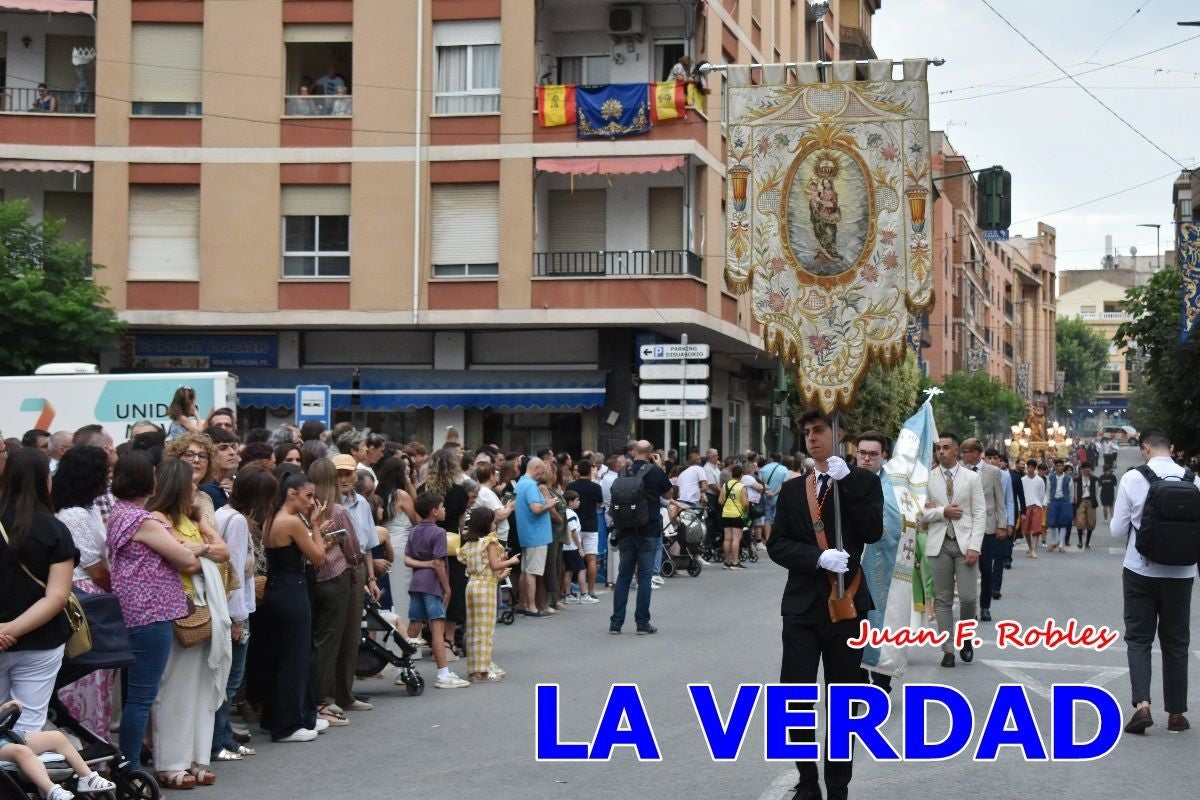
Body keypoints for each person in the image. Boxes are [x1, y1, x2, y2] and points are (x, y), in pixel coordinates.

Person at [768, 409, 883, 800]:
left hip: (846, 604)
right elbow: (777, 544)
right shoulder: (791, 488)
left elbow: (872, 530)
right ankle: (806, 780)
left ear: (839, 434)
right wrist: (816, 558)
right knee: (795, 695)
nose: (811, 438)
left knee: (843, 699)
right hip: (801, 605)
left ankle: (838, 786)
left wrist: (846, 482)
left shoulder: (863, 482)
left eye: (819, 430)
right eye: (806, 432)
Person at [105, 451, 199, 776]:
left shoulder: (119, 513)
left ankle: (127, 761)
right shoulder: (142, 519)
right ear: (148, 479)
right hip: (151, 613)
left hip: (131, 610)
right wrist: (194, 549)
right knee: (142, 696)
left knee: (135, 694)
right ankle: (128, 766)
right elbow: (185, 560)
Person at [146, 458, 232, 788]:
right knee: (175, 689)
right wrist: (201, 554)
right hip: (177, 610)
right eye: (191, 485)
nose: (196, 490)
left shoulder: (193, 518)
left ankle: (197, 758)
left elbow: (221, 553)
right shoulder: (158, 519)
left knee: (201, 686)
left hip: (202, 608)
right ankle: (170, 763)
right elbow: (186, 563)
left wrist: (200, 548)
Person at [1111, 429, 1198, 736]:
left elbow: (1118, 530)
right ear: (1171, 448)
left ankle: (1142, 706)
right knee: (1176, 643)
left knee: (1138, 639)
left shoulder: (1134, 479)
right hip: (1182, 574)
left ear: (1144, 448)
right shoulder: (1193, 480)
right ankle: (1176, 714)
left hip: (1140, 571)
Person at [0, 449, 79, 737]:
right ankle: (27, 781)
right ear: (46, 480)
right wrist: (12, 630)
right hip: (41, 639)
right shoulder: (54, 529)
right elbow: (56, 597)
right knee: (29, 726)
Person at [260, 472, 332, 742]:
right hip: (292, 589)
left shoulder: (272, 517)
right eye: (309, 495)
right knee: (295, 658)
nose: (312, 501)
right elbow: (319, 557)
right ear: (292, 493)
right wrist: (314, 526)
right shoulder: (291, 521)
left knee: (280, 656)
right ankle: (288, 725)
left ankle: (285, 717)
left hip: (276, 587)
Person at [211, 466, 275, 761]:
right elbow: (235, 570)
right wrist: (238, 619)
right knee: (230, 679)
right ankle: (219, 741)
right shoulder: (237, 522)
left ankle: (224, 738)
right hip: (234, 610)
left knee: (226, 679)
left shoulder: (223, 514)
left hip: (227, 607)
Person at [50, 446, 114, 741]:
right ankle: (85, 750)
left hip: (92, 594)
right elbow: (95, 567)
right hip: (85, 597)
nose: (109, 477)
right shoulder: (73, 515)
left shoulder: (87, 509)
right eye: (105, 471)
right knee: (85, 680)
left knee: (97, 679)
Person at [922, 432, 986, 668]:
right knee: (942, 599)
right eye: (938, 448)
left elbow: (980, 513)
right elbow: (921, 514)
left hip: (965, 543)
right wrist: (941, 512)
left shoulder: (970, 478)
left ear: (957, 450)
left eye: (946, 448)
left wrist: (975, 546)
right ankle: (947, 649)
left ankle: (966, 637)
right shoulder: (928, 478)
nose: (941, 452)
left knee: (968, 598)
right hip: (938, 543)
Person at [306, 458, 358, 724]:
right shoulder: (336, 510)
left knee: (313, 641)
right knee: (328, 642)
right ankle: (321, 702)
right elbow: (351, 546)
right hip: (335, 575)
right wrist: (356, 563)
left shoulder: (303, 508)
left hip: (310, 579)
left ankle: (315, 699)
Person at [331, 454, 380, 712]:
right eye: (338, 474)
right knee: (332, 632)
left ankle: (345, 694)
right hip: (333, 565)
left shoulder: (362, 502)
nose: (343, 479)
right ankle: (328, 696)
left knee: (352, 633)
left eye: (347, 474)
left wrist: (371, 578)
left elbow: (369, 545)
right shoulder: (326, 501)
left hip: (358, 566)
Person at [405, 492, 468, 689]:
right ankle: (443, 673)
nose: (444, 510)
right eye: (442, 507)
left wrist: (424, 564)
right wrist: (447, 588)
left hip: (416, 582)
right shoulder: (439, 532)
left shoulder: (414, 531)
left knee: (414, 626)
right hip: (433, 585)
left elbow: (407, 559)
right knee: (437, 628)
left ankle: (404, 667)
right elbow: (439, 564)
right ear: (434, 511)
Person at [608, 440, 672, 635]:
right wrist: (660, 466)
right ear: (651, 453)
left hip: (626, 529)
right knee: (644, 576)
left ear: (634, 452)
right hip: (648, 529)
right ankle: (642, 623)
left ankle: (616, 623)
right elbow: (669, 494)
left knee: (624, 576)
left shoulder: (623, 472)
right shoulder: (654, 471)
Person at [0, 700, 115, 800]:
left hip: (4, 735)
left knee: (57, 737)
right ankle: (50, 790)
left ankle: (88, 778)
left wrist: (4, 708)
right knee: (22, 751)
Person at [457, 507, 518, 683]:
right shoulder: (489, 542)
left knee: (473, 629)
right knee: (485, 630)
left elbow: (475, 565)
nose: (494, 525)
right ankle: (484, 672)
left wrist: (501, 574)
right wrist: (510, 561)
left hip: (472, 585)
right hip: (485, 588)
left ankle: (473, 670)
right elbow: (493, 565)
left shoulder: (469, 543)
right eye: (493, 522)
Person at [960, 438, 1008, 623]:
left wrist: (1002, 525)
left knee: (986, 569)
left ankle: (985, 606)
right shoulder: (961, 472)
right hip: (966, 527)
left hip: (987, 528)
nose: (963, 455)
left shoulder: (993, 472)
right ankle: (969, 609)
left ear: (975, 453)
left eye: (965, 452)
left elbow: (1000, 501)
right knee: (967, 569)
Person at [514, 458, 554, 617]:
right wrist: (550, 504)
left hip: (526, 533)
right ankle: (531, 606)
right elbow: (536, 509)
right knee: (532, 572)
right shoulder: (530, 485)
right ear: (536, 468)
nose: (542, 473)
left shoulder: (521, 483)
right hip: (536, 534)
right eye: (542, 470)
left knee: (526, 570)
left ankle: (523, 604)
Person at [565, 460, 603, 602]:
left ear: (578, 470)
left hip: (573, 525)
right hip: (591, 524)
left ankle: (567, 592)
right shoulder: (595, 487)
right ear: (590, 470)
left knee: (570, 562)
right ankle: (591, 590)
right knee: (591, 559)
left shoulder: (570, 485)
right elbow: (599, 503)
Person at [560, 491, 588, 603]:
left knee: (569, 570)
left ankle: (567, 594)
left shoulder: (565, 512)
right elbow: (573, 532)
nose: (579, 502)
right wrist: (580, 547)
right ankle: (584, 595)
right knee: (581, 569)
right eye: (577, 500)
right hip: (572, 547)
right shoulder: (570, 514)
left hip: (566, 547)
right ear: (570, 502)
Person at [1045, 459, 1073, 554]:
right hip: (1053, 501)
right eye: (1058, 466)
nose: (1059, 467)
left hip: (1064, 501)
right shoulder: (1051, 477)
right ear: (1055, 467)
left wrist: (1070, 502)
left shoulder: (1068, 478)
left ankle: (1061, 545)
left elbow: (1071, 492)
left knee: (1063, 523)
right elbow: (1048, 490)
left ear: (1063, 467)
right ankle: (1053, 542)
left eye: (1061, 466)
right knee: (1052, 523)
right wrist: (1048, 501)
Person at [1020, 460, 1047, 557]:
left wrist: (1039, 503)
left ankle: (1034, 549)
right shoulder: (1022, 480)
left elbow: (1042, 494)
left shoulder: (1039, 480)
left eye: (1032, 467)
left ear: (1035, 468)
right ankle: (1030, 548)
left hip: (1037, 505)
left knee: (1036, 529)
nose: (1030, 469)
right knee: (1026, 529)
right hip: (1026, 506)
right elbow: (1020, 495)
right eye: (1029, 467)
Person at [1073, 462, 1100, 549]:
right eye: (1084, 468)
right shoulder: (1077, 479)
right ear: (1081, 470)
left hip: (1090, 501)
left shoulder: (1094, 479)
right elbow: (1075, 490)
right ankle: (1080, 541)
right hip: (1081, 501)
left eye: (1088, 468)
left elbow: (1096, 491)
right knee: (1080, 521)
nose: (1086, 470)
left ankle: (1087, 542)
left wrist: (1094, 500)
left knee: (1090, 522)